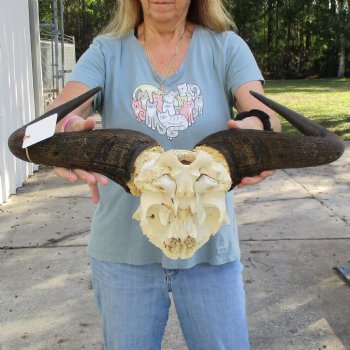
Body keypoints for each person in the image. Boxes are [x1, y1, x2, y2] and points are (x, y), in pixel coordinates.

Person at [49, 1, 281, 349]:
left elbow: (266, 117)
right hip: (123, 255)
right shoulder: (106, 51)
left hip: (210, 252)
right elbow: (56, 117)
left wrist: (255, 129)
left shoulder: (226, 47)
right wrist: (66, 132)